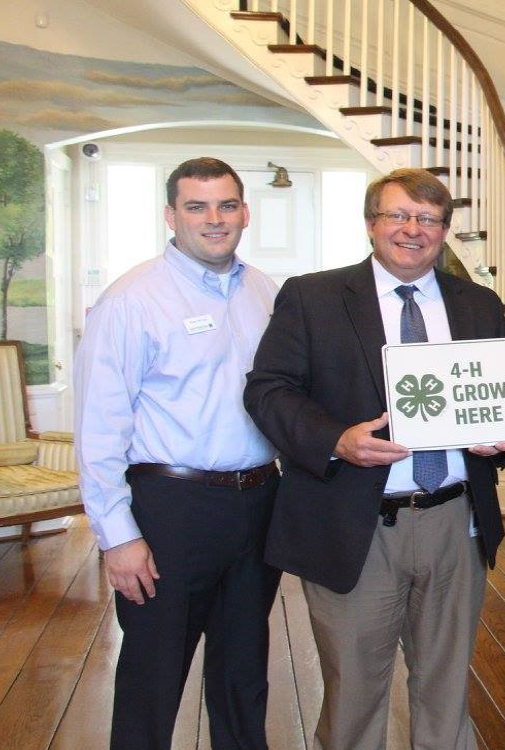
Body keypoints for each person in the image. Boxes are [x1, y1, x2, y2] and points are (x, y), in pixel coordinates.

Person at [244, 168, 505, 750]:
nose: (412, 230)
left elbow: (495, 401)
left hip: (454, 523)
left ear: (445, 230)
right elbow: (267, 391)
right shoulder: (313, 297)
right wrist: (337, 438)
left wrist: (501, 435)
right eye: (398, 216)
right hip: (354, 526)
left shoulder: (479, 304)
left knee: (446, 694)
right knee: (354, 697)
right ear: (371, 223)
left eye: (428, 219)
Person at [74, 157, 280, 750]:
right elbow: (98, 427)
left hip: (259, 499)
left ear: (245, 212)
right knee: (154, 673)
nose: (214, 220)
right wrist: (118, 536)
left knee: (244, 671)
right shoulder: (132, 299)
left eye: (226, 205)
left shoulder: (265, 292)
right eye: (197, 206)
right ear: (172, 215)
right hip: (171, 508)